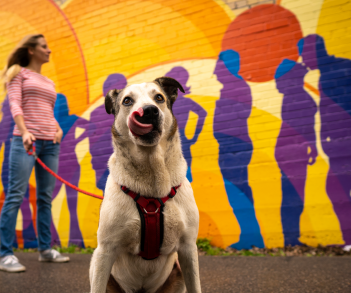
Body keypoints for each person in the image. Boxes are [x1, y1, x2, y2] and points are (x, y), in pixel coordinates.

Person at [0, 34, 69, 273]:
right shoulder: (18, 73)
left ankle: (45, 250)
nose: (49, 50)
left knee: (44, 199)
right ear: (31, 50)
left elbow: (47, 111)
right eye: (44, 46)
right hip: (25, 142)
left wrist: (58, 128)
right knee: (16, 195)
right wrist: (24, 131)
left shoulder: (49, 82)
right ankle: (5, 254)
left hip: (51, 142)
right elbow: (15, 104)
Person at [298, 35, 351, 245]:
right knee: (336, 189)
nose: (302, 59)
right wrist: (325, 139)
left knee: (336, 188)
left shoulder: (342, 69)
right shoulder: (325, 75)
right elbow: (327, 111)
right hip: (338, 145)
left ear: (314, 50)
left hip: (344, 142)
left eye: (304, 52)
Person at [213, 49, 264, 249]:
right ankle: (250, 235)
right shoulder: (231, 88)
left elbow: (239, 114)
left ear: (227, 66)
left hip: (234, 146)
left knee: (238, 192)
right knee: (238, 192)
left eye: (219, 66)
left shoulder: (236, 87)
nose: (216, 71)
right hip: (230, 145)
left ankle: (252, 237)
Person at [274, 59, 317, 246]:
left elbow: (306, 127)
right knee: (294, 195)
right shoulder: (297, 97)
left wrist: (311, 146)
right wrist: (311, 146)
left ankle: (292, 237)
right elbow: (304, 128)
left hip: (291, 149)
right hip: (292, 151)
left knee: (293, 194)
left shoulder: (295, 96)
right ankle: (291, 238)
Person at [165, 67, 207, 182]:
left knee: (183, 180)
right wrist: (194, 136)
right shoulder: (167, 103)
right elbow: (202, 113)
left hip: (178, 143)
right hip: (179, 142)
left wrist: (195, 136)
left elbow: (203, 113)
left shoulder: (167, 103)